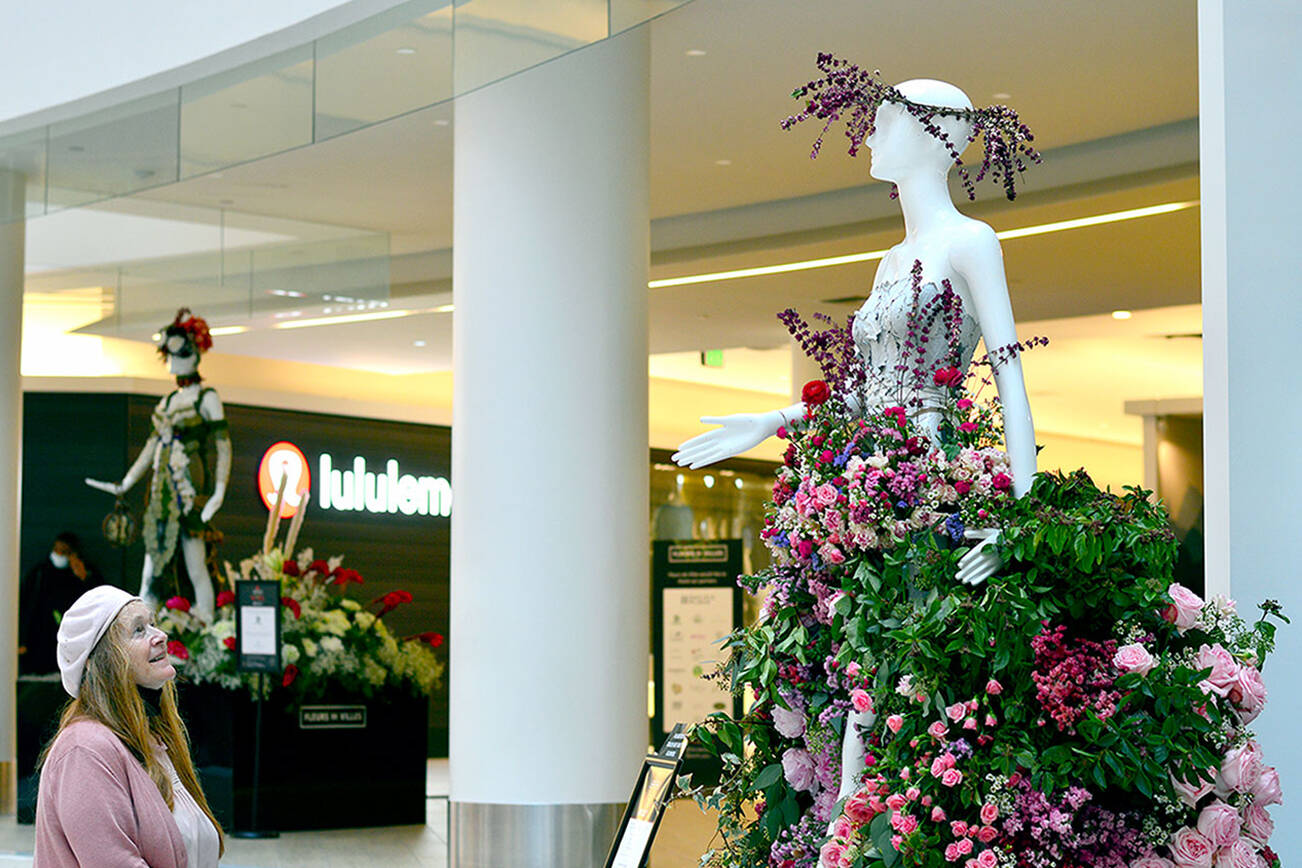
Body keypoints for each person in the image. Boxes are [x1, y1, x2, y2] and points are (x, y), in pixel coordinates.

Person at [672, 75, 1039, 859]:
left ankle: (880, 839)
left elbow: (1009, 377)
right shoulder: (889, 262)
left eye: (882, 122)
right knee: (857, 681)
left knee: (903, 683)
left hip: (929, 491)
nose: (867, 136)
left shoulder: (971, 244)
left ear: (938, 135)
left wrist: (1021, 518)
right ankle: (844, 839)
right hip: (867, 489)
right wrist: (775, 419)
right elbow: (865, 394)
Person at [35, 585, 223, 867]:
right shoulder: (84, 750)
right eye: (138, 630)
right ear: (101, 662)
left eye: (152, 624)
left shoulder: (152, 737)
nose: (161, 636)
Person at [86, 309, 231, 623]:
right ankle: (142, 622)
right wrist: (126, 482)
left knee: (195, 561)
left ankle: (204, 619)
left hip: (189, 490)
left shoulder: (207, 398)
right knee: (152, 560)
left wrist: (218, 491)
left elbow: (223, 446)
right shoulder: (166, 403)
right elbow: (151, 448)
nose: (174, 360)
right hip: (162, 491)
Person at [18, 532, 102, 675]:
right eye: (57, 551)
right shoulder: (39, 573)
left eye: (65, 552)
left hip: (70, 645)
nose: (59, 555)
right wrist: (22, 641)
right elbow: (25, 607)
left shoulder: (83, 574)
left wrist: (85, 578)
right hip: (40, 644)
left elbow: (98, 601)